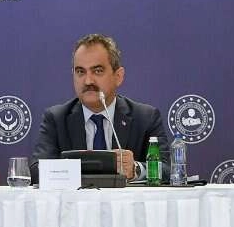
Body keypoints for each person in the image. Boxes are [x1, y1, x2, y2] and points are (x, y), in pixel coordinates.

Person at [31, 34, 170, 182]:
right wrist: (77, 169)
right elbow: (37, 171)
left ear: (118, 76)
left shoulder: (145, 118)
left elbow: (168, 169)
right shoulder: (56, 119)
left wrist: (136, 169)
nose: (88, 81)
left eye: (97, 71)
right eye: (80, 72)